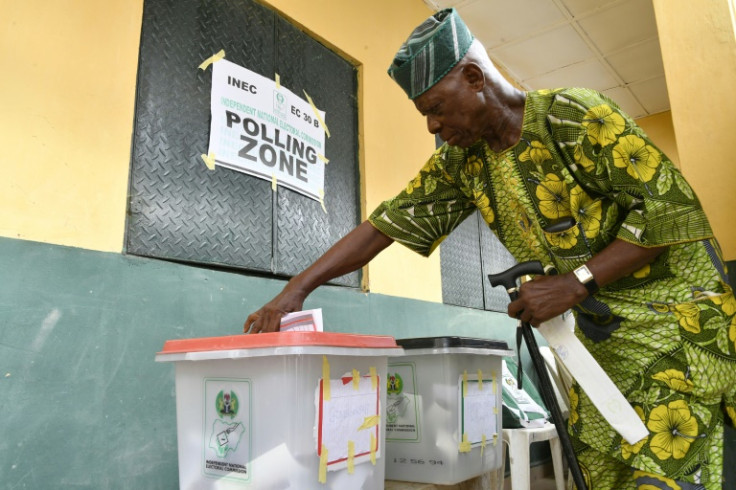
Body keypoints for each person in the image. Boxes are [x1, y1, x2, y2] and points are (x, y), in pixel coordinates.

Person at [245, 8, 736, 489]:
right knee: (601, 469)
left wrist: (574, 283)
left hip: (677, 328)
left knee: (664, 472)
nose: (433, 127)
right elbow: (385, 225)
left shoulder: (575, 116)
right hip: (603, 349)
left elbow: (667, 213)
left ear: (474, 77)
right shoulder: (465, 162)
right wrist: (295, 290)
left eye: (436, 108)